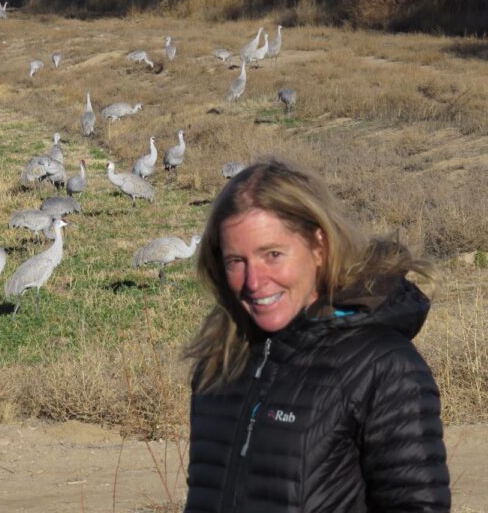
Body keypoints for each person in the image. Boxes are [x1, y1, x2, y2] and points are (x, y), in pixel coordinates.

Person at [184, 159, 450, 512]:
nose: (254, 282)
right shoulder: (219, 361)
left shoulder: (383, 366)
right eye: (236, 261)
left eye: (273, 254)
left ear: (319, 247)